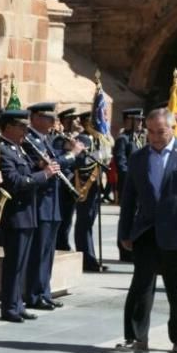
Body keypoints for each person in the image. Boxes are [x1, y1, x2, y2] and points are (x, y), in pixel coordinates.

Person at [117, 108, 177, 353]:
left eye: (160, 131)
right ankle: (138, 337)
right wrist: (125, 232)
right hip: (147, 232)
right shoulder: (139, 157)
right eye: (150, 131)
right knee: (141, 286)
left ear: (172, 128)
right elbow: (128, 198)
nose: (155, 137)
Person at [0, 110, 60, 322]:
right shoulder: (3, 150)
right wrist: (45, 174)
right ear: (8, 127)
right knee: (13, 265)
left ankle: (18, 303)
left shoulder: (18, 149)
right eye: (21, 126)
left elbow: (26, 173)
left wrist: (39, 167)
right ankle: (9, 307)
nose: (25, 130)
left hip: (27, 214)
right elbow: (15, 182)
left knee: (21, 265)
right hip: (15, 215)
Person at [23, 103, 82, 310]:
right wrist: (71, 155)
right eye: (49, 118)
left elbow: (55, 162)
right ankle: (34, 294)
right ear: (36, 118)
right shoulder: (29, 139)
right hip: (40, 204)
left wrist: (67, 152)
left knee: (48, 252)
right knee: (38, 252)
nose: (53, 123)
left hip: (52, 204)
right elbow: (52, 165)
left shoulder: (45, 140)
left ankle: (44, 292)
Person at [72, 112, 106, 273]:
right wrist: (94, 159)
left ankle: (91, 257)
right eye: (96, 123)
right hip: (85, 185)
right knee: (84, 223)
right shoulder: (83, 139)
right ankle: (86, 258)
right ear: (87, 124)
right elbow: (80, 163)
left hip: (95, 186)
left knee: (89, 223)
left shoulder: (97, 139)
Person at [113, 109, 144, 261]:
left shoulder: (141, 138)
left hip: (142, 186)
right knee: (128, 216)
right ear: (128, 121)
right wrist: (133, 179)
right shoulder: (123, 139)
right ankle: (124, 250)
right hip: (128, 185)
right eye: (137, 120)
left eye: (141, 120)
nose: (140, 123)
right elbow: (121, 163)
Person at [53, 108, 78, 251]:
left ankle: (64, 242)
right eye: (70, 120)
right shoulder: (59, 140)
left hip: (73, 183)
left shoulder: (74, 138)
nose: (73, 123)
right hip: (62, 184)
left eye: (74, 120)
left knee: (68, 218)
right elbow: (58, 160)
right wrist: (69, 150)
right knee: (62, 217)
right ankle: (61, 243)